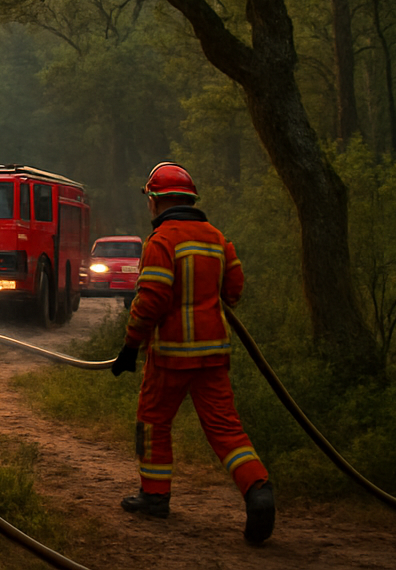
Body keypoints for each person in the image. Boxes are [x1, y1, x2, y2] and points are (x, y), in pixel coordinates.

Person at [111, 161, 275, 544]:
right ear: (191, 200)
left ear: (155, 201)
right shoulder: (218, 238)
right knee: (225, 429)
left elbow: (150, 299)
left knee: (153, 422)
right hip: (213, 356)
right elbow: (234, 289)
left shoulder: (162, 241)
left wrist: (130, 347)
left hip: (170, 356)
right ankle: (257, 489)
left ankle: (154, 498)